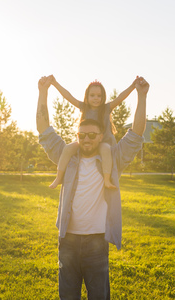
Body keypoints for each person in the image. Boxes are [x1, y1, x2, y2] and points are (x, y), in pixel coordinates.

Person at [36, 75, 149, 299]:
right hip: (67, 240)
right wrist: (43, 92)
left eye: (92, 135)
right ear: (77, 136)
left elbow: (135, 134)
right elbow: (44, 130)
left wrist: (142, 96)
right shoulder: (66, 156)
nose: (86, 139)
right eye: (81, 135)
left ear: (101, 137)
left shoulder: (113, 158)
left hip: (97, 241)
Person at [48, 76, 138, 190]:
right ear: (87, 96)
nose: (96, 98)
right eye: (92, 95)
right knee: (68, 148)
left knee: (105, 149)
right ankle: (59, 177)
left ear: (103, 97)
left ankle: (106, 180)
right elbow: (68, 96)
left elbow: (120, 98)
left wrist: (133, 86)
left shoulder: (106, 108)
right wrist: (55, 83)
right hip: (86, 141)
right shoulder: (83, 107)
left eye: (99, 96)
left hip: (104, 143)